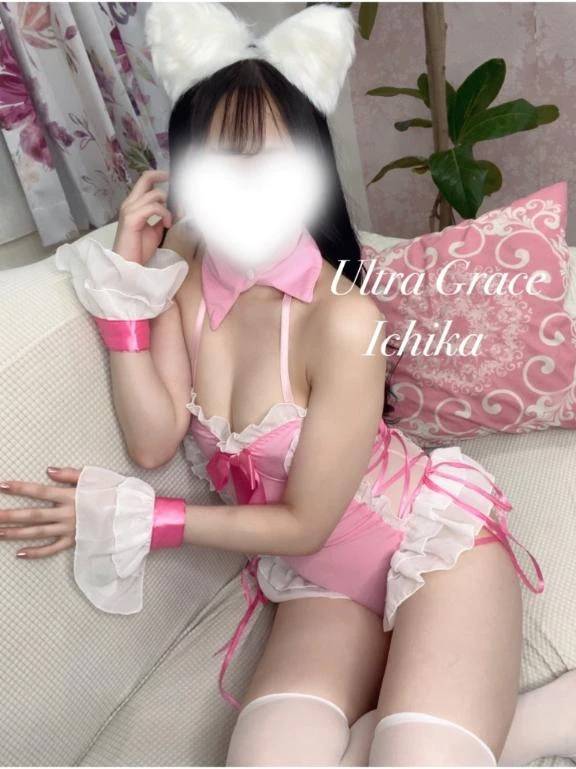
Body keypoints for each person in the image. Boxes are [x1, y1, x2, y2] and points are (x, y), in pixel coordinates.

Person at [1, 4, 574, 766]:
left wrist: (143, 518)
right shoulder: (183, 275)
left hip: (434, 549)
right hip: (320, 587)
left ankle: (544, 715)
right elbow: (153, 437)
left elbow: (304, 520)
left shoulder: (343, 319)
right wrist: (126, 291)